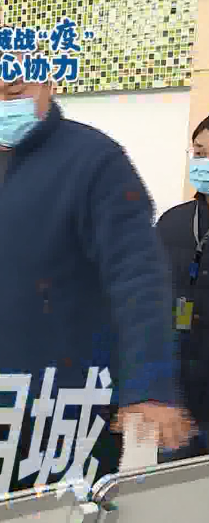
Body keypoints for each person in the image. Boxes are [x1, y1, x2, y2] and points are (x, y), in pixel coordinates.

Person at [0, 50, 193, 498]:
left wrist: (149, 384)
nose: (0, 107)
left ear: (47, 85)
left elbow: (138, 274)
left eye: (15, 93)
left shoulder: (95, 161)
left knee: (64, 511)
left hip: (72, 400)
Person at [153, 114, 209, 463]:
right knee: (173, 486)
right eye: (200, 152)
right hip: (179, 399)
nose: (204, 162)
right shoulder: (173, 221)